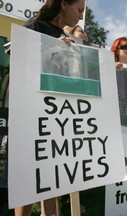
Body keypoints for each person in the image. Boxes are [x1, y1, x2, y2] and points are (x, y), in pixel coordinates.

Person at [16, 0, 85, 215]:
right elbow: (19, 59)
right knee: (28, 178)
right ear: (64, 3)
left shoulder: (70, 39)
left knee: (51, 173)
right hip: (33, 112)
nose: (81, 17)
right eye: (79, 9)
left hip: (59, 113)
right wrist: (52, 45)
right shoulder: (34, 26)